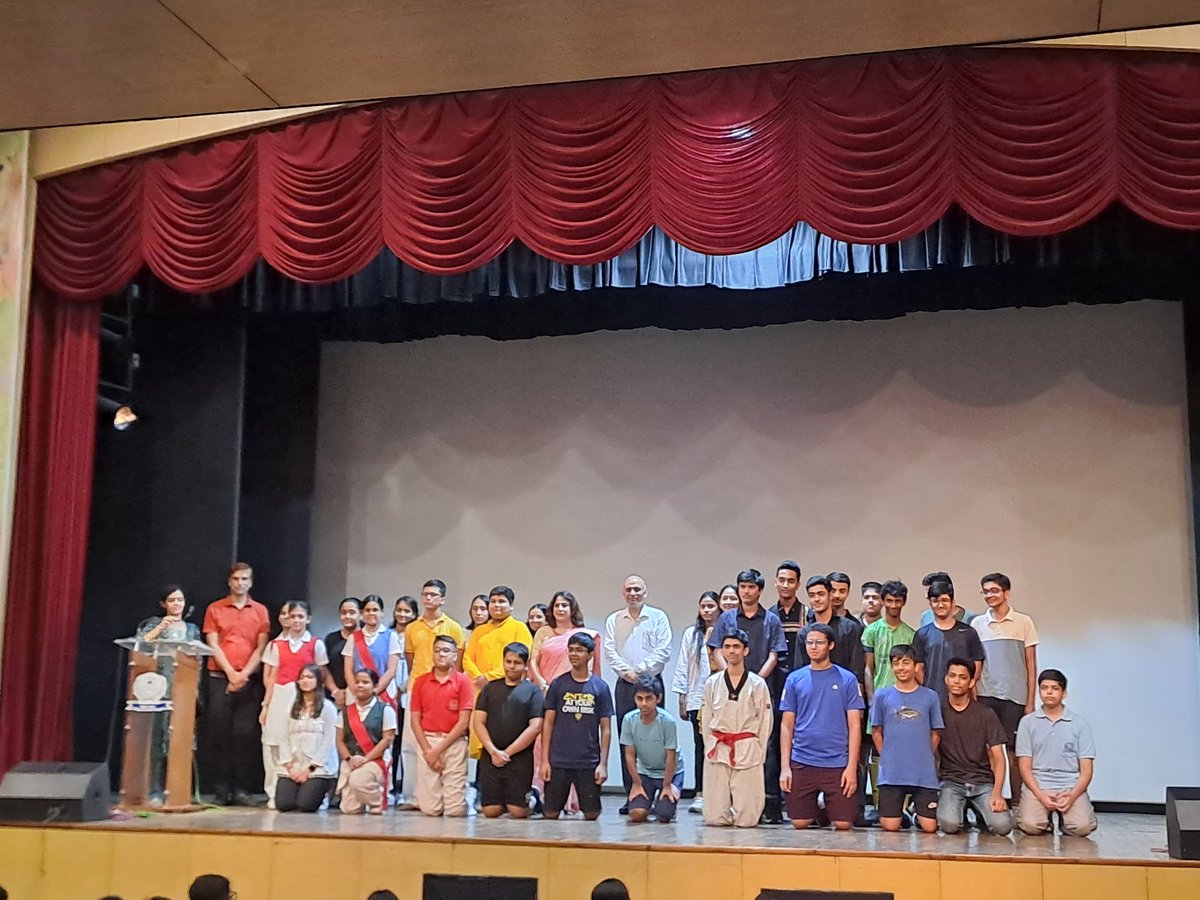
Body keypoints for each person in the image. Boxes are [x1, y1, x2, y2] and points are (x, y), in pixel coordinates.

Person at [708, 568, 786, 823]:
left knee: (767, 750)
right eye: (743, 586)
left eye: (752, 587)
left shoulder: (771, 619)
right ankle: (720, 811)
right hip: (727, 686)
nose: (746, 591)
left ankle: (768, 808)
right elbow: (718, 649)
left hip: (758, 688)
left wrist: (754, 682)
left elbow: (775, 653)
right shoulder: (727, 618)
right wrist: (729, 676)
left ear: (760, 590)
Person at [778, 623, 863, 830]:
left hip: (836, 762)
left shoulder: (847, 679)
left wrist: (851, 767)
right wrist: (785, 767)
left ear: (831, 645)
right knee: (799, 823)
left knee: (843, 824)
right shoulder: (794, 679)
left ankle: (831, 808)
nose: (814, 647)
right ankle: (818, 810)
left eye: (819, 642)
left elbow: (854, 725)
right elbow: (787, 725)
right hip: (803, 760)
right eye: (810, 642)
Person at [202, 562, 270, 806]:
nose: (240, 583)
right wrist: (231, 673)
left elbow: (261, 647)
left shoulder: (260, 610)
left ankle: (242, 788)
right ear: (229, 581)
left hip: (249, 681)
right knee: (220, 735)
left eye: (245, 579)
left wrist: (243, 675)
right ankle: (221, 789)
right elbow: (212, 643)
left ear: (250, 582)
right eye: (236, 579)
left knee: (245, 734)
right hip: (220, 678)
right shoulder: (215, 608)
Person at [603, 574, 672, 810]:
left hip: (652, 683)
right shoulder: (614, 619)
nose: (633, 593)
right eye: (629, 589)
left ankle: (658, 792)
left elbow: (664, 650)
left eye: (637, 589)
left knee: (657, 738)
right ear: (623, 593)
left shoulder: (658, 617)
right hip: (625, 685)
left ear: (646, 592)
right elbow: (610, 652)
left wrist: (641, 673)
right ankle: (631, 792)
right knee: (628, 739)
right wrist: (629, 674)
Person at [529, 590, 600, 813]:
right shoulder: (543, 632)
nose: (560, 609)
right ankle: (540, 793)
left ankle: (572, 801)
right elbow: (533, 660)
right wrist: (541, 682)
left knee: (573, 740)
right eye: (557, 605)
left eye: (564, 605)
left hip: (576, 695)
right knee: (544, 740)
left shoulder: (584, 634)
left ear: (572, 609)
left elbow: (594, 669)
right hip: (547, 691)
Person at [971, 572, 1038, 805]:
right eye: (986, 591)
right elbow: (976, 665)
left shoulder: (1024, 622)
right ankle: (989, 804)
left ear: (1006, 593)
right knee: (989, 752)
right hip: (986, 695)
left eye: (995, 590)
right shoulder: (977, 624)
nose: (990, 595)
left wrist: (1030, 702)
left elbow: (1031, 665)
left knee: (1014, 754)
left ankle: (1020, 805)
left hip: (1015, 697)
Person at [135, 584, 201, 804]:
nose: (177, 604)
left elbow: (197, 658)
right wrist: (162, 625)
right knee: (157, 739)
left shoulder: (191, 629)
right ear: (164, 604)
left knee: (180, 740)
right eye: (172, 600)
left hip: (183, 687)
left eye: (180, 600)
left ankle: (178, 789)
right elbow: (142, 644)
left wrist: (196, 688)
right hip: (158, 687)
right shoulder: (155, 623)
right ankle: (153, 789)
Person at [260, 600, 329, 808]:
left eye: (300, 616)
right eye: (292, 616)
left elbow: (321, 674)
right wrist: (265, 705)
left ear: (308, 619)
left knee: (308, 741)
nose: (296, 620)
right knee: (274, 742)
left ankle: (313, 788)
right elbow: (270, 677)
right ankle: (273, 790)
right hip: (280, 696)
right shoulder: (275, 645)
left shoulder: (315, 644)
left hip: (305, 698)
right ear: (286, 619)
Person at [402, 579, 465, 809]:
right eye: (425, 594)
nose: (428, 599)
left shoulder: (453, 627)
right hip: (418, 685)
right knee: (411, 745)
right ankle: (412, 798)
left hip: (447, 687)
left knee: (445, 740)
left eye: (433, 595)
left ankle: (445, 798)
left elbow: (456, 661)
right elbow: (411, 659)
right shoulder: (412, 627)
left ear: (443, 599)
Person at [702, 629, 773, 828]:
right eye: (727, 647)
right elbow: (707, 718)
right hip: (718, 745)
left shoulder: (757, 684)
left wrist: (760, 749)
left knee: (748, 818)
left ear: (746, 651)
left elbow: (765, 720)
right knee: (715, 817)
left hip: (747, 745)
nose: (731, 651)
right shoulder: (712, 683)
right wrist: (709, 744)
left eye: (736, 647)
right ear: (722, 651)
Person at [936, 657, 1013, 836]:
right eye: (952, 676)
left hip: (982, 782)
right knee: (949, 825)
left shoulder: (985, 714)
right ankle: (957, 810)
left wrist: (997, 793)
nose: (957, 681)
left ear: (971, 682)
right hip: (951, 782)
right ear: (946, 679)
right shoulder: (938, 711)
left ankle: (979, 811)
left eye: (963, 677)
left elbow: (999, 758)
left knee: (1003, 827)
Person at [1015, 668, 1097, 837]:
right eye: (1044, 688)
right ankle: (1045, 821)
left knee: (1083, 827)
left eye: (1055, 688)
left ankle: (1065, 821)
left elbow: (1086, 770)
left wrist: (1072, 796)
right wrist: (1041, 795)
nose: (1049, 692)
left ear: (1064, 693)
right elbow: (1024, 767)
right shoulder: (1027, 723)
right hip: (1038, 785)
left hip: (1069, 786)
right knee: (1031, 826)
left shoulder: (1079, 724)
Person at [870, 644, 943, 833]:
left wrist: (925, 755)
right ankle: (901, 815)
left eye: (906, 662)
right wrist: (886, 755)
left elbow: (936, 733)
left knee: (929, 828)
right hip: (893, 772)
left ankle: (917, 815)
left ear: (915, 666)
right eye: (896, 663)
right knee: (891, 827)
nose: (901, 668)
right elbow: (876, 730)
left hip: (923, 772)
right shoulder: (882, 695)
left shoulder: (930, 696)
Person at [542, 632, 613, 821]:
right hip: (558, 761)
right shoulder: (558, 684)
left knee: (591, 814)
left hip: (588, 762)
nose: (574, 654)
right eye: (571, 650)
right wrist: (544, 761)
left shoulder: (600, 687)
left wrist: (603, 764)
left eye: (579, 650)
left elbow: (606, 728)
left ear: (590, 655)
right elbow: (547, 723)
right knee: (550, 813)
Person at [472, 642, 544, 818]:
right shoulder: (490, 688)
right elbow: (478, 722)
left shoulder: (533, 691)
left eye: (517, 662)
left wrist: (507, 753)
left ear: (525, 666)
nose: (511, 666)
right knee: (491, 811)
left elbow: (535, 727)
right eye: (508, 661)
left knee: (517, 812)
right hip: (491, 756)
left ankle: (532, 799)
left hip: (519, 758)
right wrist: (493, 751)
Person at [410, 634, 475, 816]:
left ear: (455, 655)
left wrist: (437, 751)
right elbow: (415, 720)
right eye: (437, 651)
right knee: (431, 810)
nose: (441, 655)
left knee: (455, 811)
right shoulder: (421, 681)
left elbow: (463, 722)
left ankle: (468, 795)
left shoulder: (463, 681)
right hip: (427, 741)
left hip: (454, 741)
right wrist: (428, 751)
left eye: (446, 651)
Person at [671, 590, 720, 815]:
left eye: (711, 605)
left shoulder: (725, 634)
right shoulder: (692, 634)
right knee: (700, 747)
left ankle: (720, 794)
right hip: (697, 699)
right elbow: (683, 667)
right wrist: (682, 698)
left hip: (721, 700)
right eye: (704, 606)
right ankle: (700, 793)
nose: (707, 610)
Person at [273, 664, 339, 812]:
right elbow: (283, 737)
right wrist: (290, 767)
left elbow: (329, 740)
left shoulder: (327, 708)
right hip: (294, 766)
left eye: (309, 677)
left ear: (318, 681)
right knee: (284, 805)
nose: (305, 681)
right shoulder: (290, 707)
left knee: (306, 805)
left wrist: (309, 769)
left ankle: (322, 795)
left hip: (316, 767)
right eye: (302, 678)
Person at [621, 674, 682, 823]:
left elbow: (671, 756)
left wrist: (667, 786)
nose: (644, 704)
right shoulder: (629, 720)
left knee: (664, 816)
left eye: (649, 698)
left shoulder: (667, 722)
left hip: (670, 773)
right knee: (636, 814)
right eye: (639, 699)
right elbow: (629, 755)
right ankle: (648, 802)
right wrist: (636, 783)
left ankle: (666, 804)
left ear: (658, 698)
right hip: (645, 772)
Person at [913, 580, 984, 704]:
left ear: (953, 602)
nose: (940, 605)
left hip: (962, 700)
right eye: (935, 601)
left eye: (945, 600)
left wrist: (965, 686)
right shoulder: (922, 634)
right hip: (932, 700)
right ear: (930, 604)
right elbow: (918, 668)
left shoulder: (969, 632)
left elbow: (976, 664)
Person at [337, 668, 397, 815]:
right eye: (357, 682)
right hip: (352, 760)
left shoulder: (385, 710)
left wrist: (365, 759)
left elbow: (387, 739)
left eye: (365, 682)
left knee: (357, 780)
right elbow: (339, 740)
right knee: (349, 810)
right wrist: (349, 759)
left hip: (375, 760)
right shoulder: (345, 712)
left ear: (375, 686)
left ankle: (378, 802)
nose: (360, 685)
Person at [342, 595, 401, 712]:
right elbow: (348, 670)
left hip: (383, 693)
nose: (371, 613)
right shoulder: (353, 638)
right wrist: (358, 691)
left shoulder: (391, 636)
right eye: (367, 610)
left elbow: (391, 670)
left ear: (382, 613)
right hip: (357, 694)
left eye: (375, 610)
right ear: (362, 614)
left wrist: (374, 691)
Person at [389, 595, 419, 802]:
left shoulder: (417, 633)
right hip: (389, 693)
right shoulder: (387, 635)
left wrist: (405, 686)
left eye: (407, 611)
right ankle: (390, 786)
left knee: (406, 744)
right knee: (392, 741)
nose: (403, 614)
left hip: (408, 693)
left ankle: (406, 789)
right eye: (399, 610)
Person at [323, 597, 361, 707]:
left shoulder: (366, 639)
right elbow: (324, 668)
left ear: (361, 614)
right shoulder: (331, 638)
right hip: (334, 697)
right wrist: (336, 691)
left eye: (352, 612)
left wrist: (353, 692)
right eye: (343, 613)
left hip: (360, 695)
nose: (347, 616)